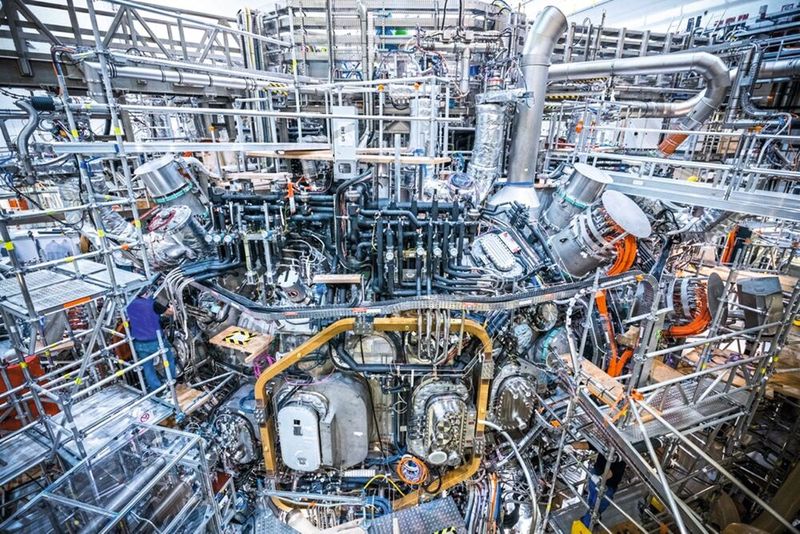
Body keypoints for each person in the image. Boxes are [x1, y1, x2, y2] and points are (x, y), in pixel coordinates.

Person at [126, 291, 178, 392]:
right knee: (168, 359)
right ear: (145, 293)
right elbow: (170, 313)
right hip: (155, 341)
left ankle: (157, 389)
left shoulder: (128, 304)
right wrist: (172, 307)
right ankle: (171, 382)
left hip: (139, 342)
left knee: (147, 367)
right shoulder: (152, 303)